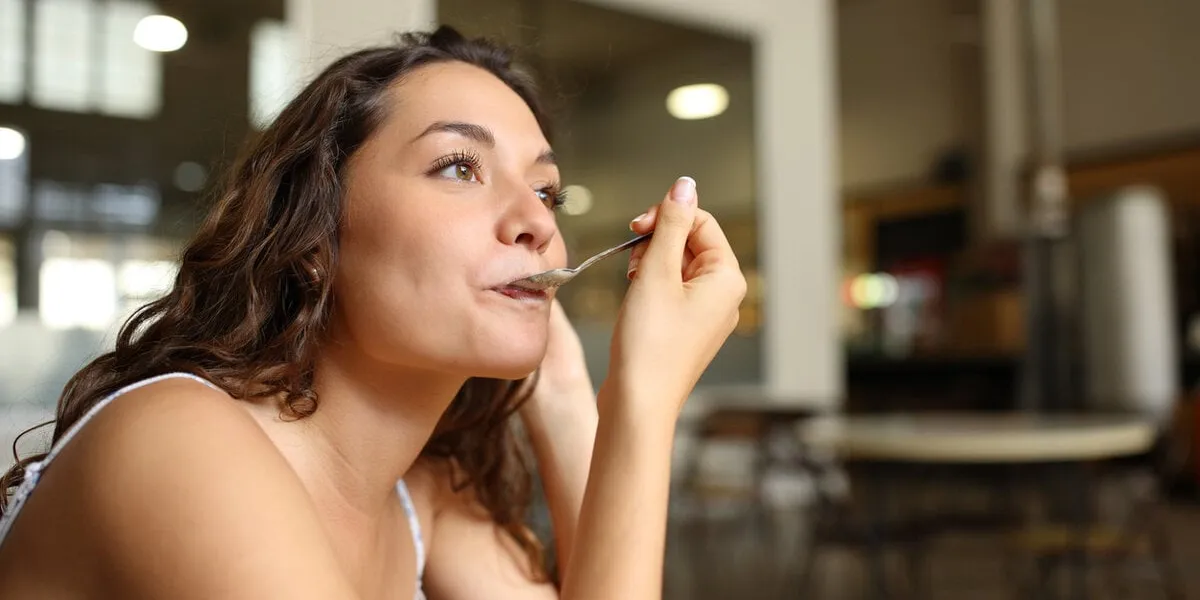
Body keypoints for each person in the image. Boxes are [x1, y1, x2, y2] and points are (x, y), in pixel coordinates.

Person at [0, 26, 745, 599]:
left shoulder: (425, 499)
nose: (535, 222)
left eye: (547, 190)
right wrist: (643, 405)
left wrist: (573, 401)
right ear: (316, 237)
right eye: (459, 166)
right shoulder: (177, 443)